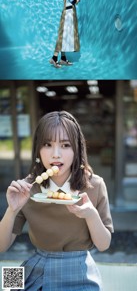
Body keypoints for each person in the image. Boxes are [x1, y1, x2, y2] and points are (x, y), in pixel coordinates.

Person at [0, 111, 113, 290]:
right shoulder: (27, 187)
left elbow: (104, 245)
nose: (56, 154)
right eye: (47, 144)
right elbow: (1, 247)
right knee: (8, 284)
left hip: (80, 268)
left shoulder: (95, 184)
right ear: (38, 149)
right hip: (35, 261)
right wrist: (11, 210)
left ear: (77, 149)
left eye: (65, 145)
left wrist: (91, 215)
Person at [49, 0, 84, 68]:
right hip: (68, 15)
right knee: (62, 37)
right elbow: (76, 1)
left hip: (67, 14)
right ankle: (54, 58)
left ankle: (63, 59)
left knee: (64, 37)